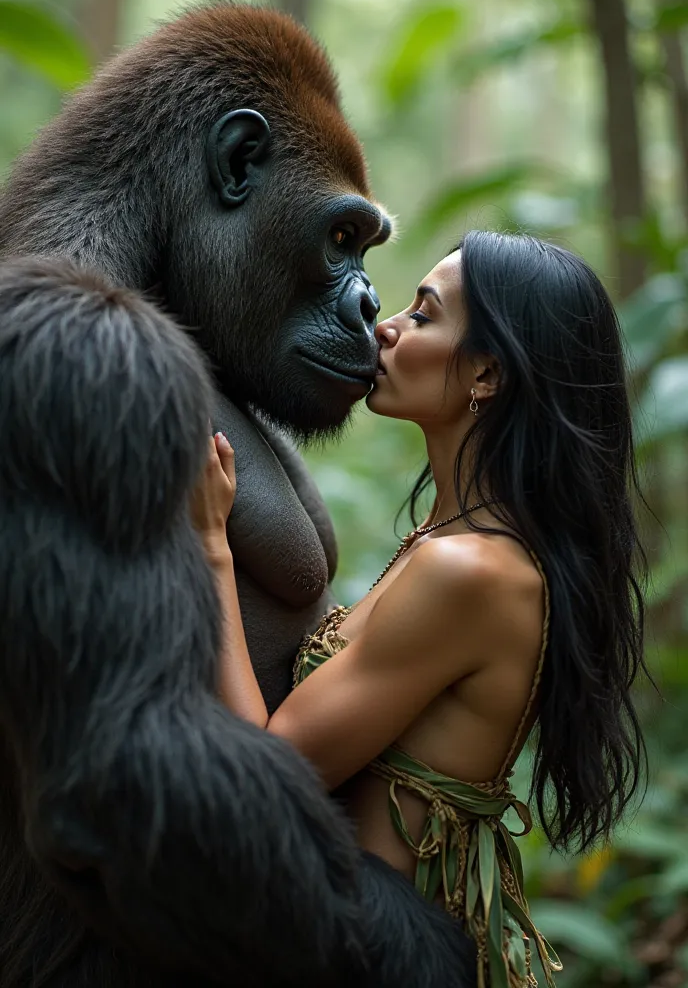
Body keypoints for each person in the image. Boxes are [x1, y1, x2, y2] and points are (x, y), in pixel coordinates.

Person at [191, 230, 648, 988]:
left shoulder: (468, 571)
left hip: (376, 951)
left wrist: (209, 545)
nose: (386, 326)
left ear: (488, 374)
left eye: (425, 315)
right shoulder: (456, 540)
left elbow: (269, 776)